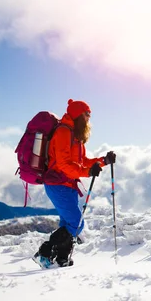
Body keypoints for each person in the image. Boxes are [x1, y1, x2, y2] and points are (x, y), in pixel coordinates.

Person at [33, 99, 116, 268]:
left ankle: (61, 259)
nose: (88, 119)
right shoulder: (63, 132)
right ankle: (44, 253)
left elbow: (83, 161)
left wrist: (103, 161)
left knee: (67, 223)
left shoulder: (75, 136)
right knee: (77, 223)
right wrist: (87, 172)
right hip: (58, 185)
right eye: (86, 114)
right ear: (78, 115)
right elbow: (63, 165)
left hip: (68, 185)